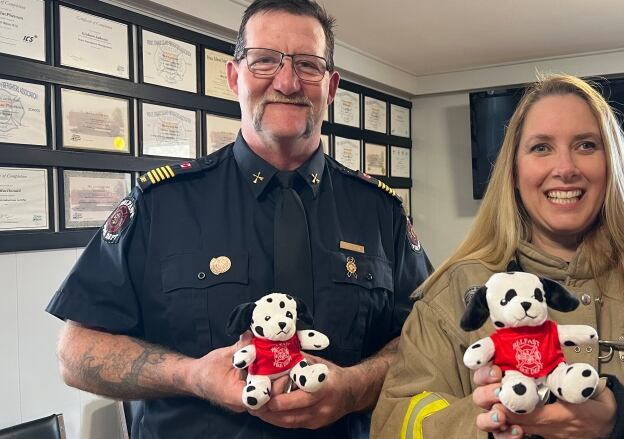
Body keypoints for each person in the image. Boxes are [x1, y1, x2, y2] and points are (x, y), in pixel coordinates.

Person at [46, 1, 432, 438]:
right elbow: (75, 353)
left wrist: (355, 388)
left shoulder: (380, 213)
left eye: (308, 65)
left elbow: (425, 344)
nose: (287, 82)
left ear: (332, 85)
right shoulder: (162, 204)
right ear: (234, 76)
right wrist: (190, 375)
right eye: (265, 60)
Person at [371, 73, 624, 439]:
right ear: (514, 172)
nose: (565, 168)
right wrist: (490, 422)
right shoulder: (451, 295)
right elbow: (396, 422)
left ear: (612, 165)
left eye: (586, 145)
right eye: (541, 148)